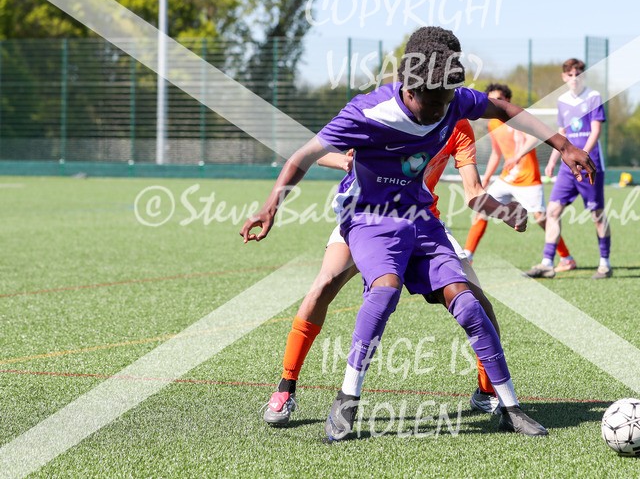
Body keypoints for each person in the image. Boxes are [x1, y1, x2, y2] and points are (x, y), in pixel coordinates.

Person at [241, 27, 595, 441]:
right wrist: (271, 205)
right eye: (434, 103)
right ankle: (312, 392)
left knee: (471, 302)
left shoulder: (452, 103)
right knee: (351, 287)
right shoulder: (368, 112)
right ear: (410, 89)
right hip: (367, 216)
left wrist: (563, 145)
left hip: (421, 218)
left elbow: (501, 112)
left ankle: (505, 404)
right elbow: (305, 155)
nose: (441, 112)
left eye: (447, 102)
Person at [261, 118, 520, 427]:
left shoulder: (458, 125)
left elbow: (473, 191)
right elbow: (318, 152)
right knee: (323, 285)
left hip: (423, 222)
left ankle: (486, 391)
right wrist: (345, 161)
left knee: (478, 304)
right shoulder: (388, 110)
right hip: (365, 216)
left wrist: (506, 211)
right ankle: (286, 385)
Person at [463, 83, 576, 272]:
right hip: (506, 178)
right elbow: (496, 154)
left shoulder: (517, 119)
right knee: (481, 209)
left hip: (528, 178)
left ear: (507, 100)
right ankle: (468, 256)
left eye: (499, 99)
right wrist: (487, 178)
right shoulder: (492, 123)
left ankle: (566, 258)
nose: (494, 103)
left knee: (541, 218)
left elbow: (533, 138)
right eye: (491, 99)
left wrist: (517, 155)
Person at [526, 58, 611, 280]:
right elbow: (562, 135)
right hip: (567, 168)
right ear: (564, 77)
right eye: (570, 75)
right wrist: (553, 160)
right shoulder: (562, 100)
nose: (574, 79)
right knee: (553, 211)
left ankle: (604, 263)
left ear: (584, 76)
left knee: (597, 214)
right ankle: (547, 263)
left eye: (578, 74)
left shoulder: (594, 97)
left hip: (590, 165)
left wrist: (583, 155)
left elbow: (595, 130)